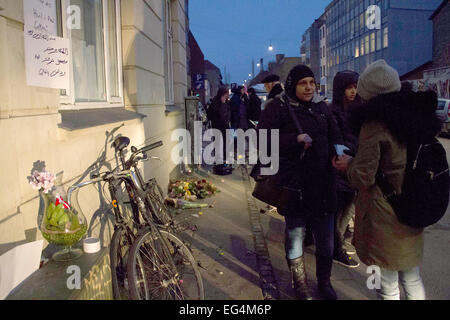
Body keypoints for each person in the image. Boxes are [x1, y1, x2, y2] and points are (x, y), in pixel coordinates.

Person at [333, 60, 442, 300]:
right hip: (412, 205)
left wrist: (347, 165)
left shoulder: (375, 125)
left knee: (389, 283)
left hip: (386, 215)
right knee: (412, 276)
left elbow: (362, 176)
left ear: (366, 93)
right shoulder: (415, 114)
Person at [257, 64, 345, 300]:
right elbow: (264, 141)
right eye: (302, 83)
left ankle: (324, 282)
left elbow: (335, 133)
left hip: (324, 183)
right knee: (295, 234)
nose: (308, 88)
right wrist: (294, 139)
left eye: (311, 83)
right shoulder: (278, 107)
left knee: (326, 239)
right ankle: (300, 285)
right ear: (292, 85)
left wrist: (340, 151)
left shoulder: (321, 107)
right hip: (294, 184)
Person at [329, 71, 361, 268]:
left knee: (349, 209)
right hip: (339, 167)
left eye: (355, 87)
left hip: (355, 167)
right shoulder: (333, 111)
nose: (353, 91)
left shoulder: (360, 110)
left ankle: (336, 244)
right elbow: (335, 140)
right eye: (349, 87)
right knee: (339, 210)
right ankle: (336, 247)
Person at [209, 87, 231, 167]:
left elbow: (228, 113)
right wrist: (222, 103)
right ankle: (218, 162)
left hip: (225, 127)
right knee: (218, 144)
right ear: (222, 94)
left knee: (226, 144)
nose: (228, 95)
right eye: (226, 94)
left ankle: (225, 161)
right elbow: (216, 115)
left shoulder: (227, 102)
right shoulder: (216, 102)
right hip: (217, 127)